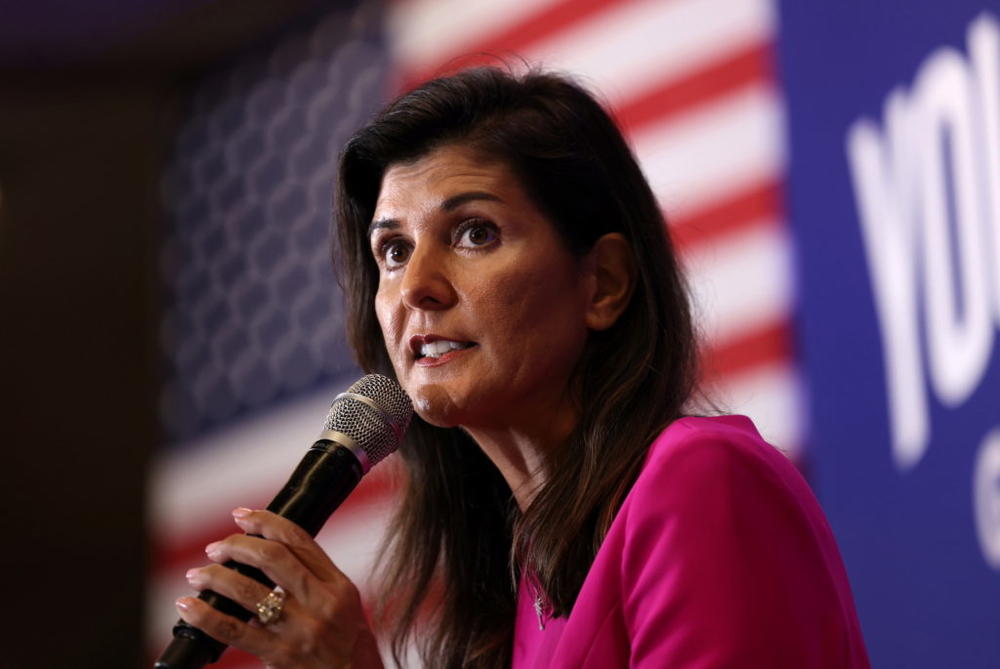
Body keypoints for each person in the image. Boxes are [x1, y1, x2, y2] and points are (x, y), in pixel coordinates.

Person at [175, 67, 870, 668]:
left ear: (603, 283)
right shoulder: (521, 588)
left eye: (474, 233)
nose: (417, 284)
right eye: (391, 250)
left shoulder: (700, 481)